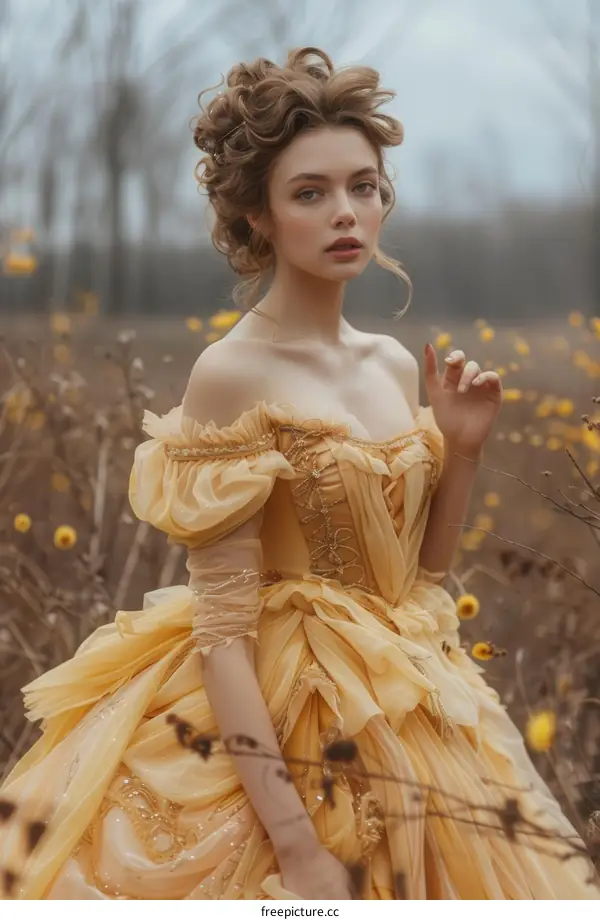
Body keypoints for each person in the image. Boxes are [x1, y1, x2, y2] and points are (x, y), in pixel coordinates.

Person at [0, 47, 598, 901]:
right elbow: (222, 634)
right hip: (274, 711)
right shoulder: (230, 374)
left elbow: (419, 583)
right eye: (310, 193)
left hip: (405, 703)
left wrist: (461, 449)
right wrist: (298, 843)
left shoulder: (393, 362)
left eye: (363, 186)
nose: (345, 212)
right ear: (259, 216)